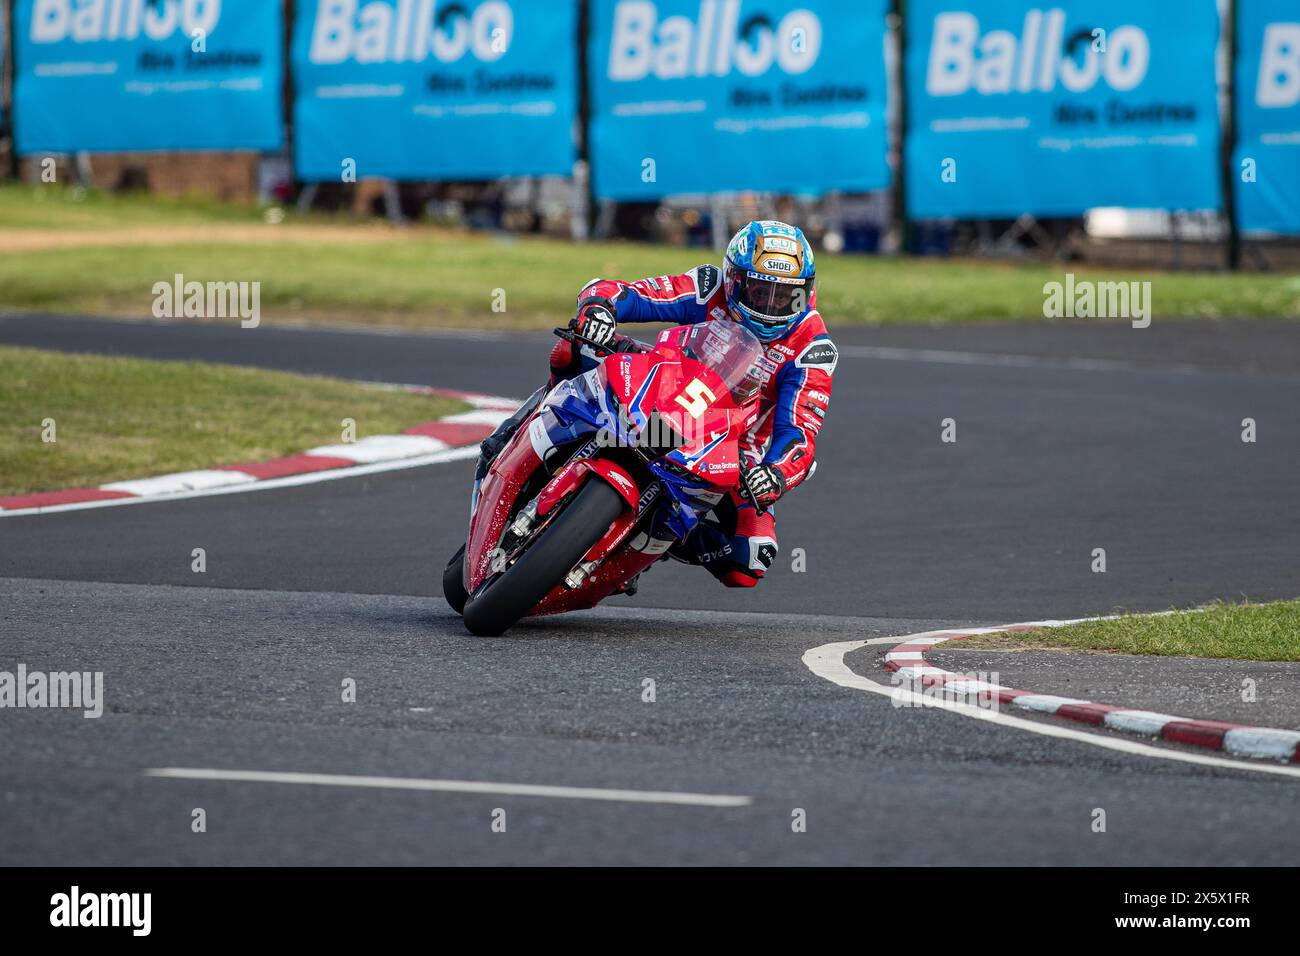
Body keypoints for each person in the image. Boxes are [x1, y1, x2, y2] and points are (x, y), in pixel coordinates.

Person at [478, 220, 836, 588]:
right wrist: (599, 310)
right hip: (663, 388)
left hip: (731, 445)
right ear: (734, 280)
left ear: (804, 293)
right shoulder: (708, 287)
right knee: (572, 349)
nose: (770, 306)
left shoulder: (813, 349)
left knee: (749, 560)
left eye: (784, 296)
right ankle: (516, 433)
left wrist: (774, 474)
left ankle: (651, 542)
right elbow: (626, 292)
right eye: (759, 292)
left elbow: (800, 433)